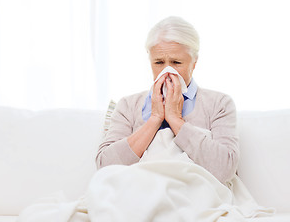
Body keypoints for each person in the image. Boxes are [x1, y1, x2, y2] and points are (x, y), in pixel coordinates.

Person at [96, 16, 239, 184]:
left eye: (176, 62)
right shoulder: (128, 105)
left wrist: (175, 120)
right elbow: (105, 167)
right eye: (159, 62)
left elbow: (225, 169)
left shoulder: (219, 104)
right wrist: (155, 119)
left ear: (194, 62)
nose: (167, 71)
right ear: (149, 60)